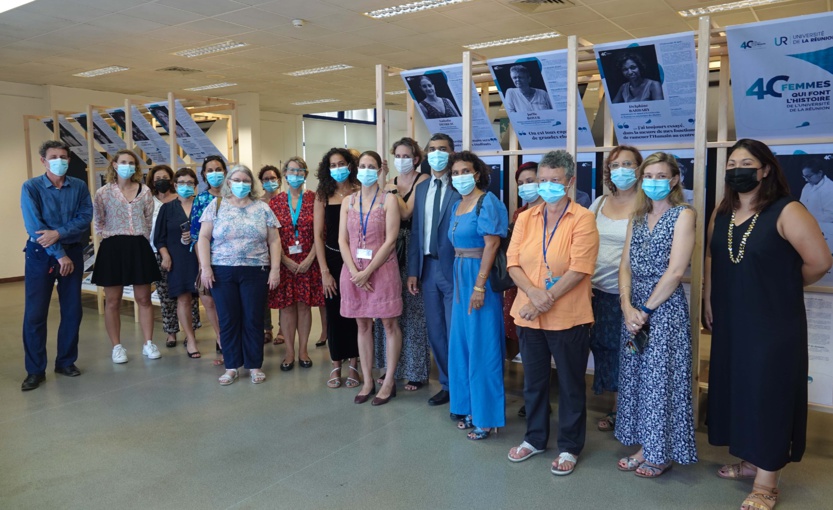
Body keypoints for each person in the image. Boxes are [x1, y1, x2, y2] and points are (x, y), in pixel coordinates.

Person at [705, 139, 832, 510]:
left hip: (773, 321)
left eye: (746, 162)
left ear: (765, 170)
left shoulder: (787, 210)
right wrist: (709, 297)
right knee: (739, 389)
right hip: (731, 317)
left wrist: (782, 286)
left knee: (769, 394)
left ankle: (766, 483)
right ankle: (749, 460)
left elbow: (820, 262)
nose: (736, 169)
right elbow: (713, 257)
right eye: (731, 163)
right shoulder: (723, 211)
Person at [505, 150, 599, 476]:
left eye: (554, 181)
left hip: (569, 315)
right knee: (534, 382)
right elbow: (512, 262)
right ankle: (534, 439)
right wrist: (533, 295)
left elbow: (579, 268)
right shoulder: (526, 217)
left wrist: (544, 299)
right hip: (528, 313)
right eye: (542, 180)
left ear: (570, 182)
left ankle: (570, 446)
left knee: (571, 384)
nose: (547, 186)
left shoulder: (584, 218)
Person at [615, 152, 697, 478]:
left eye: (661, 176)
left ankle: (660, 453)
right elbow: (624, 266)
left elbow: (676, 271)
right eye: (648, 176)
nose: (653, 182)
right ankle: (646, 445)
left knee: (661, 382)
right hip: (634, 310)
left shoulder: (684, 215)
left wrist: (645, 310)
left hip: (663, 311)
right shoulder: (637, 218)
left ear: (674, 179)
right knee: (638, 380)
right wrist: (626, 306)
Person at [198, 165, 282, 385]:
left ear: (252, 184)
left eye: (246, 180)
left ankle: (254, 365)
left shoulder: (262, 208)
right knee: (228, 319)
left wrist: (275, 269)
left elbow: (274, 240)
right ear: (228, 182)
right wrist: (205, 267)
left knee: (253, 319)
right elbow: (204, 238)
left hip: (256, 271)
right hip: (222, 271)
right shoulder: (215, 206)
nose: (242, 184)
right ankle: (232, 365)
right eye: (237, 180)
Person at [20, 140, 93, 390]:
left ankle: (65, 362)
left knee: (72, 310)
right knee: (35, 314)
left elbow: (85, 218)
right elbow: (34, 226)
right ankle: (35, 370)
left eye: (64, 156)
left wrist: (59, 234)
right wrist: (59, 253)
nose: (59, 160)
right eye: (54, 156)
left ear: (69, 160)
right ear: (43, 160)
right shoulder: (31, 187)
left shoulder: (80, 187)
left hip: (72, 251)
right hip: (41, 254)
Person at [447, 151, 508, 439]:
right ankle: (469, 407)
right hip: (460, 276)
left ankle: (487, 418)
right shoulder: (459, 204)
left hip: (477, 277)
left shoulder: (488, 202)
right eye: (455, 172)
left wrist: (480, 286)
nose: (460, 176)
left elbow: (492, 244)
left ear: (478, 173)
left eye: (465, 170)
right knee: (462, 346)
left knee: (483, 348)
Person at [338, 151, 403, 405]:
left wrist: (368, 271)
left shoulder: (389, 200)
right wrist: (355, 272)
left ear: (379, 171)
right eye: (362, 166)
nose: (366, 170)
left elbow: (390, 240)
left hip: (382, 270)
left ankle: (388, 381)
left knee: (389, 326)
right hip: (353, 271)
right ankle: (367, 380)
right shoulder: (348, 202)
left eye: (371, 166)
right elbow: (342, 240)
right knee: (362, 326)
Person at [587, 146, 643, 432]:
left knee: (630, 353)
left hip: (629, 295)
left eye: (627, 164)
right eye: (615, 165)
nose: (621, 170)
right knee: (604, 348)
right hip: (594, 291)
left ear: (639, 168)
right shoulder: (598, 203)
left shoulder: (647, 204)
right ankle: (615, 406)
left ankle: (627, 411)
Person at [407, 133, 462, 410]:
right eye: (432, 149)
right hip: (427, 268)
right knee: (436, 331)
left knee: (455, 330)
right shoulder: (422, 188)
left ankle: (462, 385)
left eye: (443, 149)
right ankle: (447, 385)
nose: (437, 154)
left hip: (453, 267)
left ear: (452, 153)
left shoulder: (461, 185)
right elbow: (417, 231)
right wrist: (413, 271)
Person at [92, 149, 162, 364]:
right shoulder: (103, 193)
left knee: (143, 298)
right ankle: (117, 346)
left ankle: (148, 343)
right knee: (112, 300)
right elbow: (98, 221)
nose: (127, 166)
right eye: (123, 162)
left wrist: (139, 236)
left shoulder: (145, 191)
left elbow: (148, 220)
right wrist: (110, 236)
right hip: (113, 247)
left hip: (138, 246)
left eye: (131, 163)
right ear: (114, 165)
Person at [375, 138, 431, 391]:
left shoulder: (423, 181)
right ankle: (391, 367)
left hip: (413, 246)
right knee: (389, 309)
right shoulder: (389, 183)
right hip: (389, 246)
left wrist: (390, 189)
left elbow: (407, 212)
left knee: (413, 310)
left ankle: (417, 371)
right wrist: (386, 184)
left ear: (416, 158)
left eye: (406, 155)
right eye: (397, 155)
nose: (401, 160)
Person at [267, 157, 324, 371]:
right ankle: (289, 352)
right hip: (284, 262)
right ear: (284, 174)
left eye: (300, 171)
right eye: (292, 171)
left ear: (306, 174)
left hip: (310, 261)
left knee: (305, 306)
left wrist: (310, 259)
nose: (296, 175)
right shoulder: (275, 202)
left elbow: (321, 233)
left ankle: (303, 351)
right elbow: (271, 235)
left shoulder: (315, 198)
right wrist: (283, 259)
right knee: (287, 308)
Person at [314, 148, 361, 389]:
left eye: (341, 163)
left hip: (358, 261)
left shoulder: (360, 190)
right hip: (333, 261)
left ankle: (354, 362)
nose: (337, 168)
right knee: (334, 313)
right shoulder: (323, 195)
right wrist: (324, 271)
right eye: (333, 165)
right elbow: (318, 237)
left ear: (351, 165)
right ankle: (336, 363)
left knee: (357, 314)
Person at [503, 162, 541, 417]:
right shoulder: (519, 214)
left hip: (547, 287)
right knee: (523, 344)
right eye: (522, 183)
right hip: (519, 286)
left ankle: (540, 399)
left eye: (532, 180)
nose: (527, 186)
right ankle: (531, 399)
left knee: (543, 347)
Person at [148, 165, 200, 349]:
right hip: (178, 260)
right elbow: (159, 238)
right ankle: (191, 340)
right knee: (183, 298)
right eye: (181, 182)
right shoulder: (167, 208)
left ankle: (220, 337)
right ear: (175, 184)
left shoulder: (203, 204)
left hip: (202, 259)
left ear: (195, 185)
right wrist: (165, 255)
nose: (186, 185)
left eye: (190, 183)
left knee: (210, 300)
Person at [190, 155, 227, 365]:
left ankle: (231, 340)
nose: (214, 173)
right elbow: (196, 235)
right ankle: (221, 339)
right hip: (208, 260)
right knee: (209, 301)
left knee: (228, 303)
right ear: (204, 174)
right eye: (210, 170)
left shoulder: (234, 198)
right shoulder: (201, 200)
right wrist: (203, 266)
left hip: (229, 260)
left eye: (218, 168)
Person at [259, 164, 285, 346]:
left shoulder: (285, 201)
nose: (270, 182)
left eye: (273, 178)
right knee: (264, 294)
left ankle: (283, 330)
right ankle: (267, 329)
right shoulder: (258, 203)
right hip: (262, 253)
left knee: (283, 292)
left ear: (279, 180)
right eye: (266, 179)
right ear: (261, 182)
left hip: (284, 252)